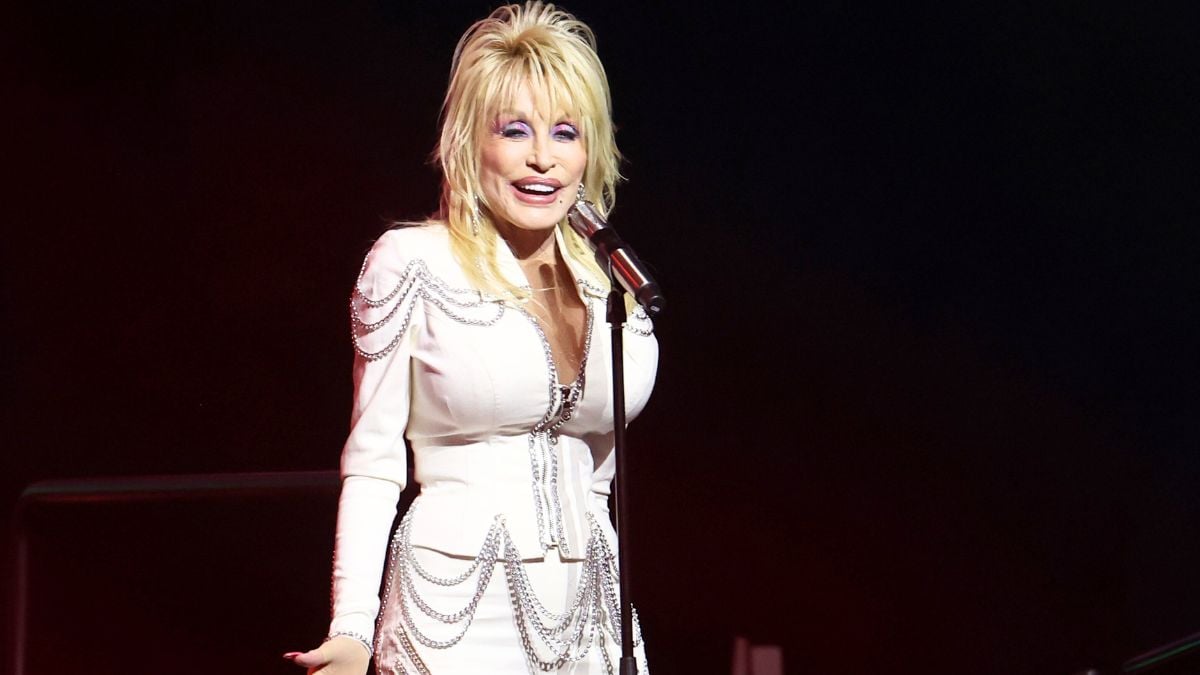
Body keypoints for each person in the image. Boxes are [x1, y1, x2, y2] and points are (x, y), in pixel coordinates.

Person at [285, 2, 658, 673]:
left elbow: (598, 474)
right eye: (515, 131)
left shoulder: (610, 280)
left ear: (590, 150)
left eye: (565, 132)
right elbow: (373, 461)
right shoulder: (414, 263)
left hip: (595, 622)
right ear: (470, 140)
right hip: (454, 615)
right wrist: (352, 626)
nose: (541, 157)